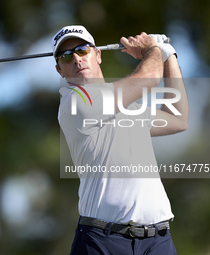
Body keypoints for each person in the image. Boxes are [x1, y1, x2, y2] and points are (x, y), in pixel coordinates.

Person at [52, 25, 188, 254]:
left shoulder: (128, 107)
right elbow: (149, 78)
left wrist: (169, 54)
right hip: (102, 242)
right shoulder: (74, 104)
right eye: (66, 56)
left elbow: (178, 118)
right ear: (59, 70)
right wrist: (153, 49)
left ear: (98, 55)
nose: (76, 59)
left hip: (158, 241)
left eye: (82, 50)